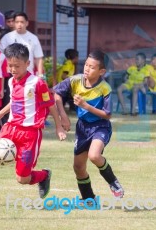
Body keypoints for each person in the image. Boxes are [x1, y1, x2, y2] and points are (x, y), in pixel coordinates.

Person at [0, 43, 66, 205]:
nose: (13, 69)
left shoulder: (37, 83)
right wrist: (0, 114)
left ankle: (44, 175)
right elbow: (15, 101)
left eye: (17, 66)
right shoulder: (11, 81)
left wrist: (59, 126)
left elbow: (49, 104)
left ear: (27, 64)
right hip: (10, 129)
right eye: (10, 66)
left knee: (22, 178)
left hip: (30, 134)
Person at [53, 50, 124, 202]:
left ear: (102, 71)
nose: (86, 69)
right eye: (86, 65)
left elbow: (107, 114)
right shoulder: (75, 81)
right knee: (78, 167)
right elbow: (56, 93)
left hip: (100, 126)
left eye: (92, 67)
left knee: (94, 155)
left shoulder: (105, 88)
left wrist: (85, 105)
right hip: (82, 128)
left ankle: (113, 182)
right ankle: (88, 199)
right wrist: (63, 116)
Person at [0, 12, 44, 77]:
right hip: (10, 74)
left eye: (22, 22)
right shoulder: (7, 37)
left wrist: (40, 74)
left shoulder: (33, 38)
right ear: (14, 23)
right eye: (17, 22)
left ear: (27, 23)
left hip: (28, 74)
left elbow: (39, 58)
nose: (19, 24)